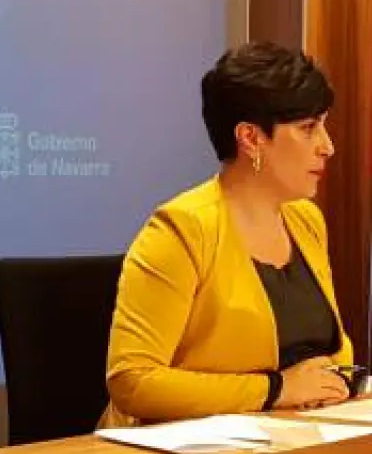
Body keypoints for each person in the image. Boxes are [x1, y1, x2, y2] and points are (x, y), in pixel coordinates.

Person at [97, 41, 355, 427]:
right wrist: (275, 390)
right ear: (250, 138)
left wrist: (328, 380)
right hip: (179, 451)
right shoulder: (181, 230)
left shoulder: (306, 221)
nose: (327, 146)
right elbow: (133, 380)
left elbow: (335, 348)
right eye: (308, 128)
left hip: (289, 437)